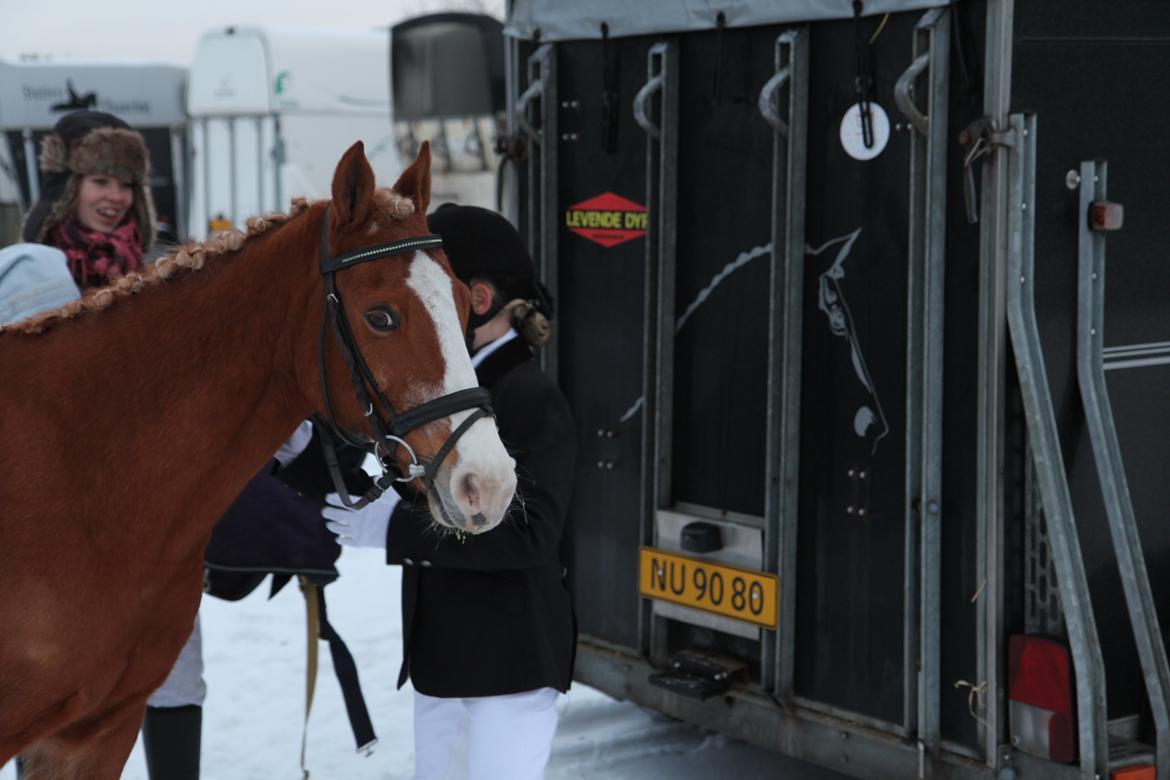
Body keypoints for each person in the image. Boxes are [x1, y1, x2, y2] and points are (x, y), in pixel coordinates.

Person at [324, 204, 578, 780]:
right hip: (444, 665)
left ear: (477, 300)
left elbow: (531, 536)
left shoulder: (529, 397)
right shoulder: (442, 397)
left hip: (508, 669)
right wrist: (307, 462)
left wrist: (394, 531)